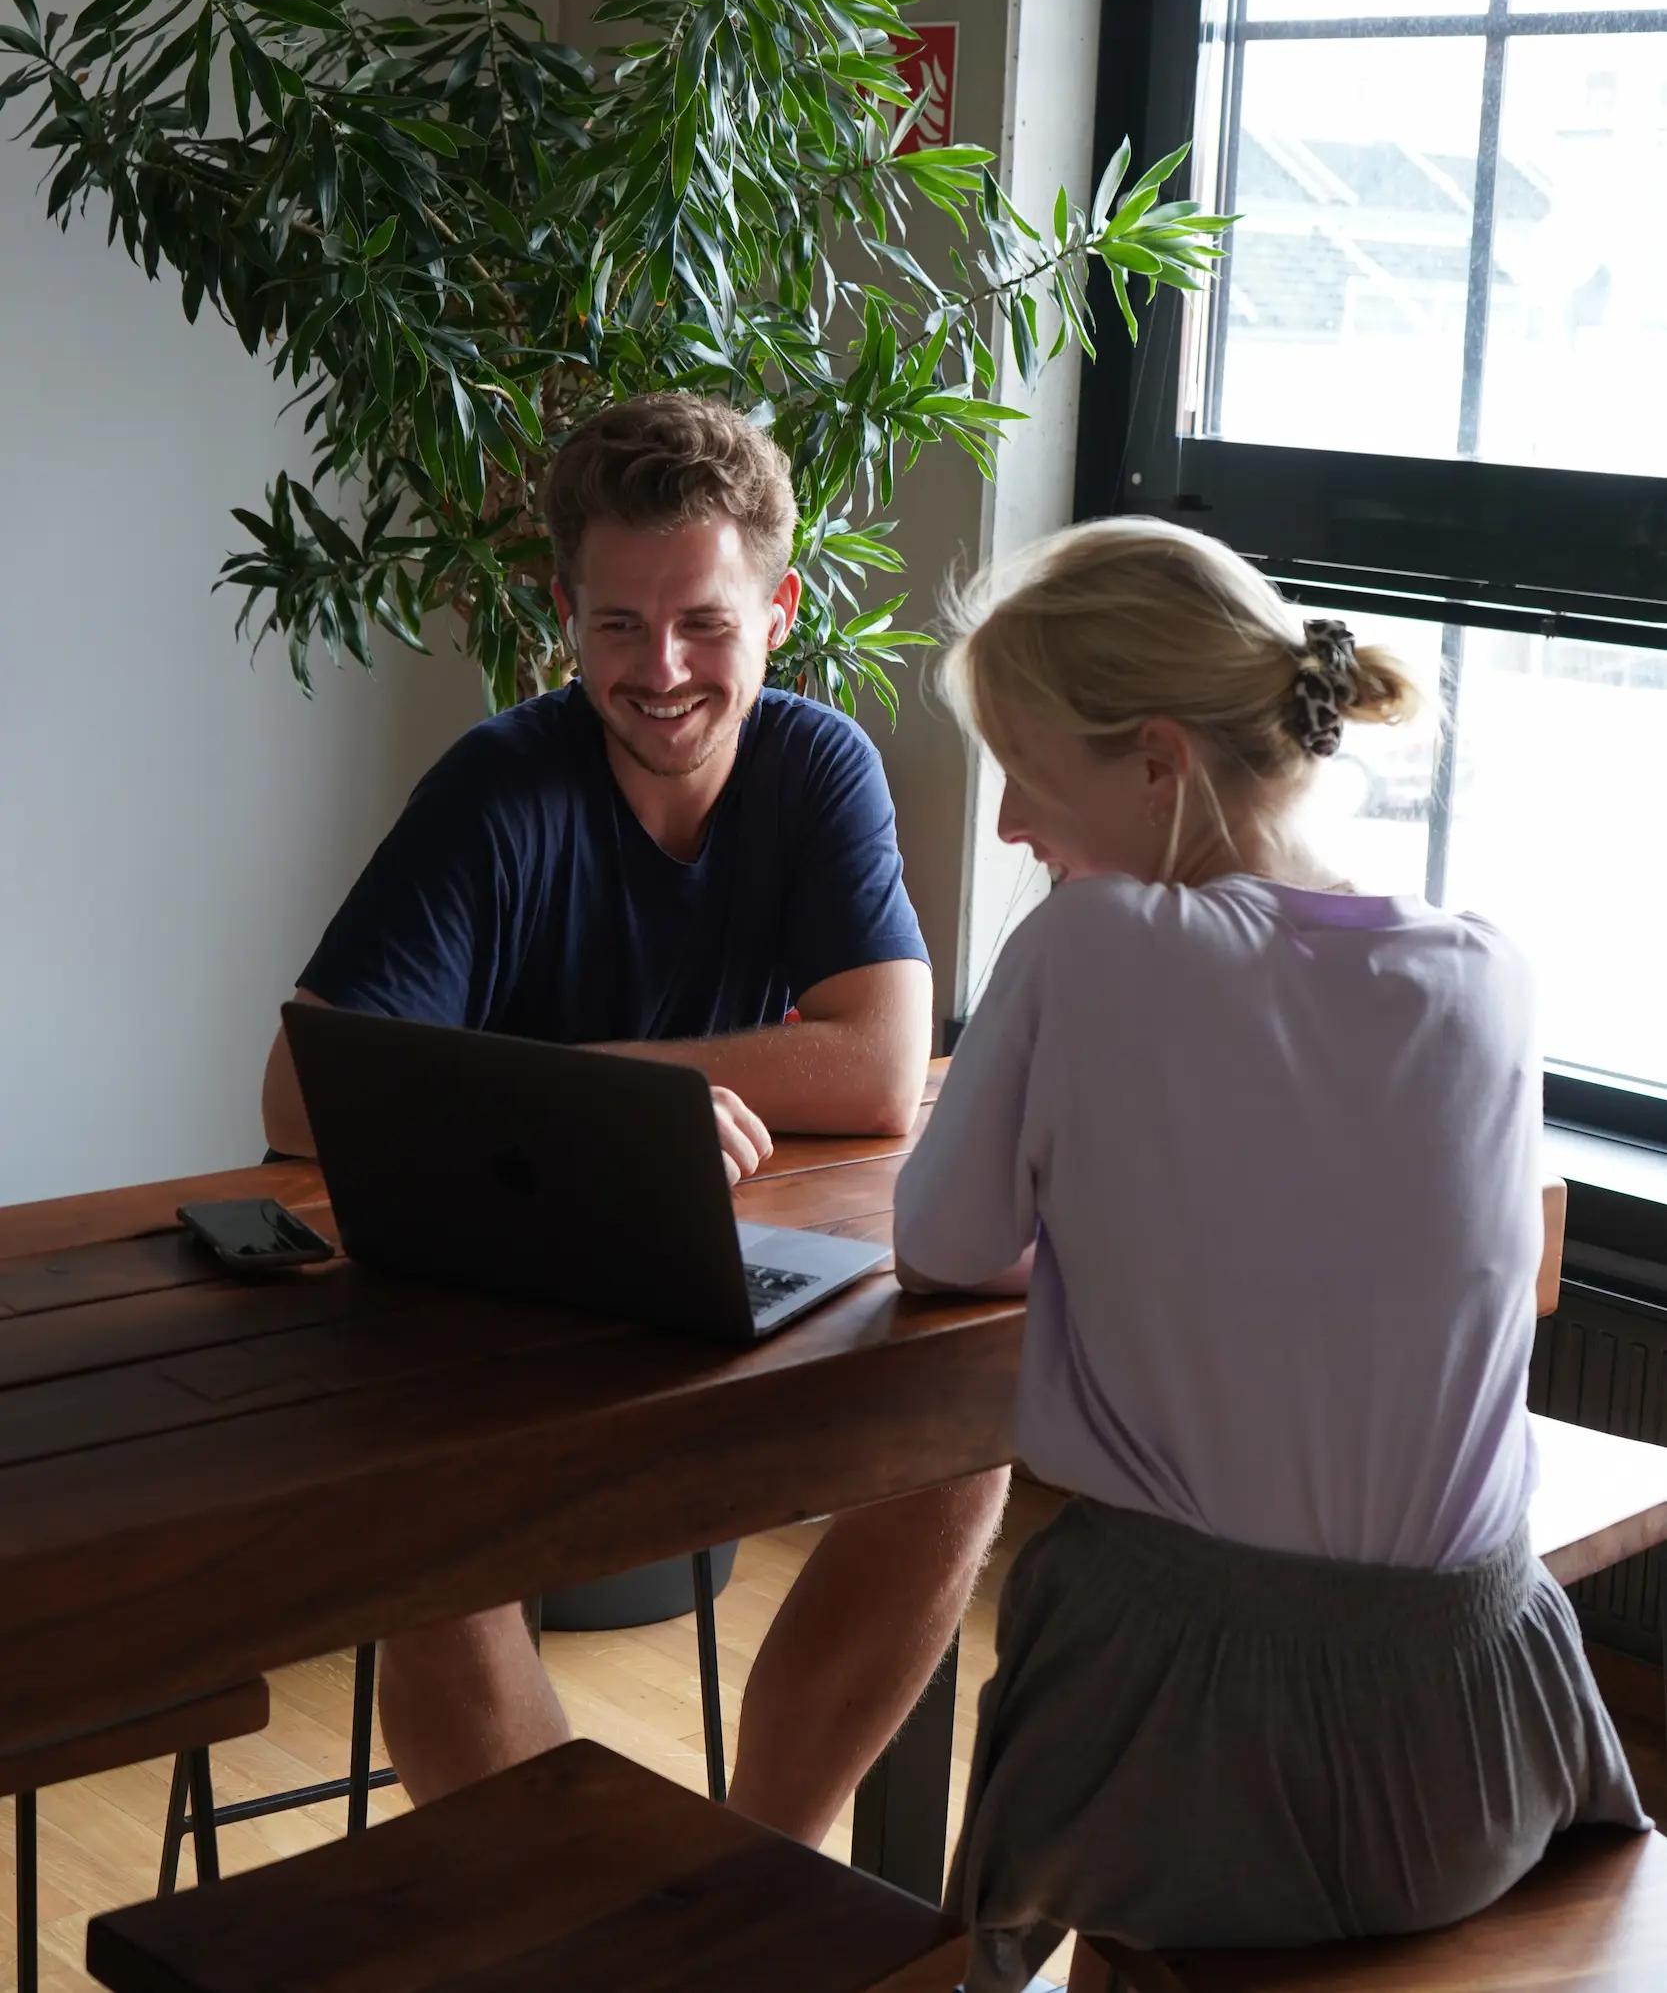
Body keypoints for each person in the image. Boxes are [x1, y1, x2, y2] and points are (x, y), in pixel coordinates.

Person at [891, 518, 1646, 1993]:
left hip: (1200, 1762)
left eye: (1027, 781)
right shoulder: (1491, 967)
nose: (1008, 834)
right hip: (1491, 1742)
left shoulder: (1090, 945)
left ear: (1159, 762)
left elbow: (946, 1242)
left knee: (1089, 1583)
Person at [260, 390, 1008, 1836]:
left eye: (704, 625)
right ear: (563, 609)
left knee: (959, 1440)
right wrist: (624, 1102)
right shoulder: (497, 787)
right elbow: (300, 1095)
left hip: (722, 1270)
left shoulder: (818, 764)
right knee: (430, 1531)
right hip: (492, 1303)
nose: (660, 670)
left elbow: (877, 1065)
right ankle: (582, 1930)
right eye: (617, 625)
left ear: (780, 610)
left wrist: (596, 1100)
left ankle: (751, 1876)